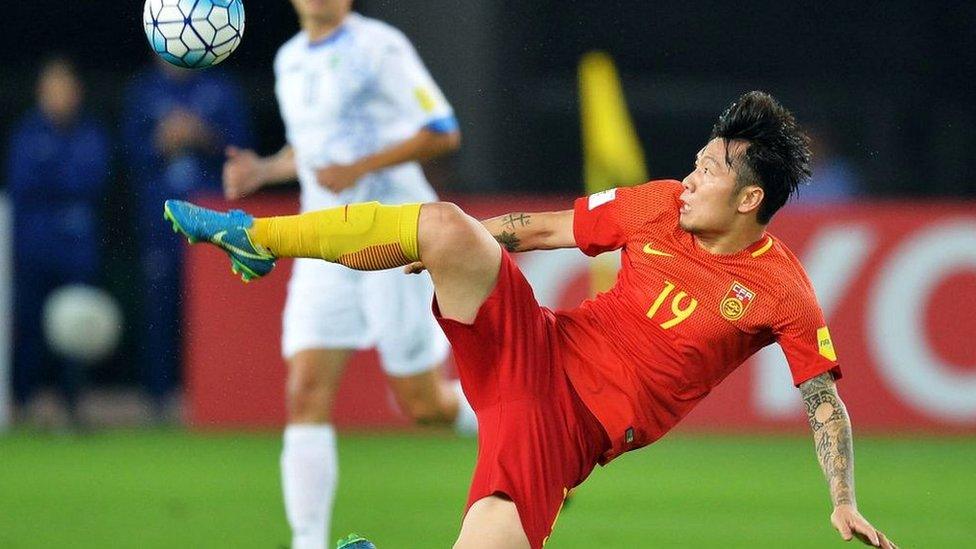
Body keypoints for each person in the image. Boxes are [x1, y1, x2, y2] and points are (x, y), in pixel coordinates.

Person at [164, 91, 897, 548]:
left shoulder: (782, 290)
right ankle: (256, 238)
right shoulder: (658, 204)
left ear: (748, 200)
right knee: (449, 224)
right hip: (536, 344)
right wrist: (463, 247)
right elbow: (543, 230)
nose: (692, 175)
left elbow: (822, 401)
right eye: (699, 160)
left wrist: (843, 501)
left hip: (565, 429)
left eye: (710, 171)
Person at [218, 1, 475, 548]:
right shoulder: (289, 59)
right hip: (326, 245)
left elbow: (442, 130)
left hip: (394, 237)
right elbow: (313, 150)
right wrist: (264, 170)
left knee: (423, 406)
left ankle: (521, 422)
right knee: (305, 389)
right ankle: (306, 543)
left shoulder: (379, 46)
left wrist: (360, 169)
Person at [122, 57, 251, 419]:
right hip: (159, 219)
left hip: (213, 221)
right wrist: (160, 142)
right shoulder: (144, 91)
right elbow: (127, 154)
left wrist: (203, 136)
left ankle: (218, 399)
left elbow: (244, 152)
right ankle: (158, 402)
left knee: (215, 314)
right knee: (159, 311)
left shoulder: (221, 89)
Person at [6, 57, 111, 427]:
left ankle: (72, 409)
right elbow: (23, 184)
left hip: (77, 248)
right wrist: (63, 181)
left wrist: (54, 177)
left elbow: (94, 179)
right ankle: (23, 404)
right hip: (35, 246)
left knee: (76, 330)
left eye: (65, 88)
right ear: (41, 93)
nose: (60, 97)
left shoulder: (90, 133)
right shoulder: (26, 134)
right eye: (53, 89)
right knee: (30, 329)